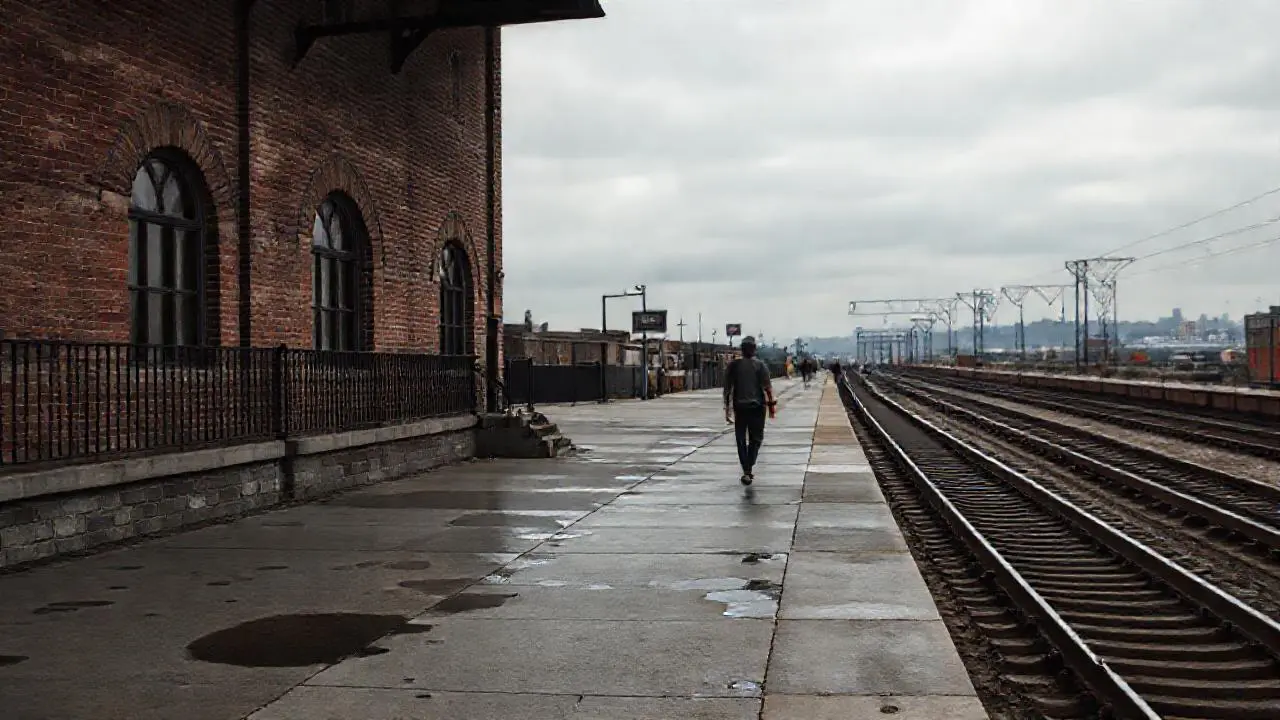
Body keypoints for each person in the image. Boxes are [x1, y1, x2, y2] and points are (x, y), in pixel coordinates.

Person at [723, 336, 775, 485]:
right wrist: (771, 407)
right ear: (754, 349)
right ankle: (748, 468)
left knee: (741, 440)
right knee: (756, 440)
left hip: (740, 408)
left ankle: (746, 469)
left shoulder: (734, 365)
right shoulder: (760, 365)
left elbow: (727, 389)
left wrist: (727, 409)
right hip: (757, 408)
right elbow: (768, 388)